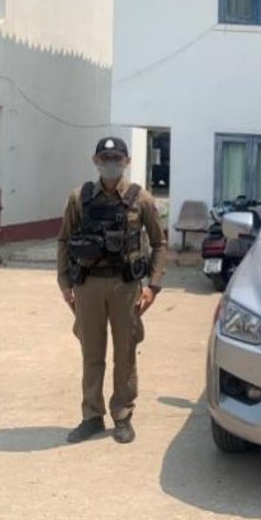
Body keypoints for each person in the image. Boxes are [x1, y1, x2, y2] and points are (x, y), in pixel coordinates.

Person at [57, 137, 168, 444]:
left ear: (126, 161)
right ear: (95, 160)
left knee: (125, 353)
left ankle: (122, 415)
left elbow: (159, 243)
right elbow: (64, 240)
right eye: (105, 158)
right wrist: (64, 283)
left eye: (116, 158)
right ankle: (92, 416)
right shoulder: (79, 198)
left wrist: (153, 286)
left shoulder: (141, 198)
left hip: (126, 286)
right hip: (88, 286)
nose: (110, 163)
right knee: (91, 354)